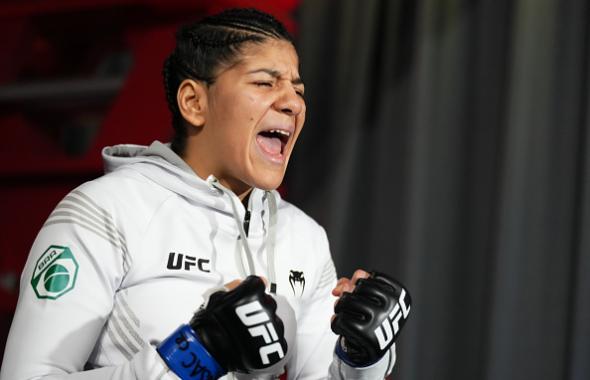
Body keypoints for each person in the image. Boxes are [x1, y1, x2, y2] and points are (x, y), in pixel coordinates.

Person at [0, 8, 410, 380]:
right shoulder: (103, 212)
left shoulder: (304, 237)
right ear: (195, 102)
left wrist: (360, 360)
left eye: (298, 90)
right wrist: (194, 354)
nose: (292, 103)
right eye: (266, 83)